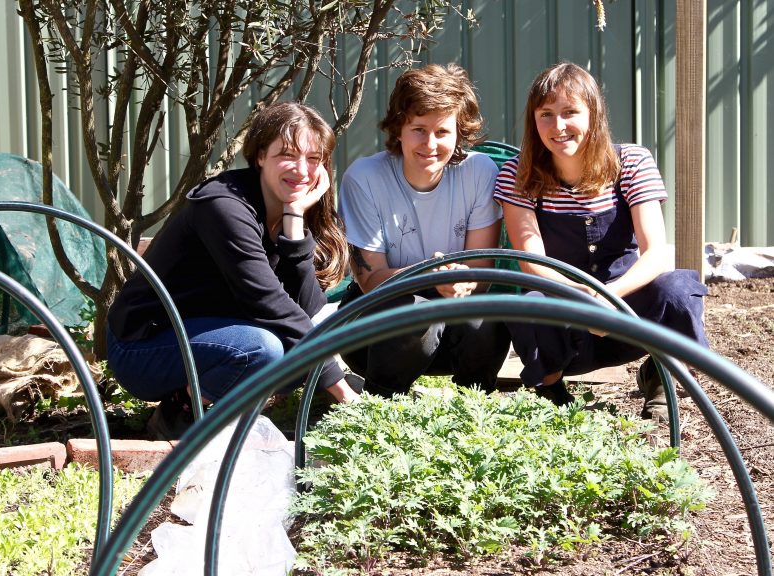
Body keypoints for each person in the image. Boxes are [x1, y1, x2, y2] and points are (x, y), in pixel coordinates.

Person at [106, 102, 361, 439]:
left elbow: (307, 310)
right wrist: (340, 390)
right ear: (259, 156)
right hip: (143, 346)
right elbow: (268, 303)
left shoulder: (287, 209)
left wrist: (295, 220)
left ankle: (212, 400)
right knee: (264, 349)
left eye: (313, 159)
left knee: (292, 348)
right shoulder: (224, 206)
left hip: (205, 337)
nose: (302, 170)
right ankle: (180, 410)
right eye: (287, 154)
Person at [494, 62, 709, 420]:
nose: (558, 126)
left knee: (677, 290)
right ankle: (550, 387)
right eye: (546, 114)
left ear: (593, 114)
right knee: (529, 302)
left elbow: (657, 253)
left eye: (570, 112)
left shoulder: (632, 162)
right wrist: (585, 300)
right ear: (533, 119)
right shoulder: (518, 174)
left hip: (628, 312)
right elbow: (532, 263)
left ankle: (660, 375)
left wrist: (608, 298)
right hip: (567, 318)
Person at [337, 63, 510, 397]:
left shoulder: (479, 172)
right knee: (415, 311)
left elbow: (482, 271)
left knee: (489, 316)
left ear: (460, 132)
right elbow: (370, 281)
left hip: (454, 319)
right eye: (418, 129)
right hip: (374, 328)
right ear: (398, 128)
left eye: (442, 131)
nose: (430, 144)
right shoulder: (364, 177)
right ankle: (381, 408)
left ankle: (474, 410)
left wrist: (463, 279)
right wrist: (432, 275)